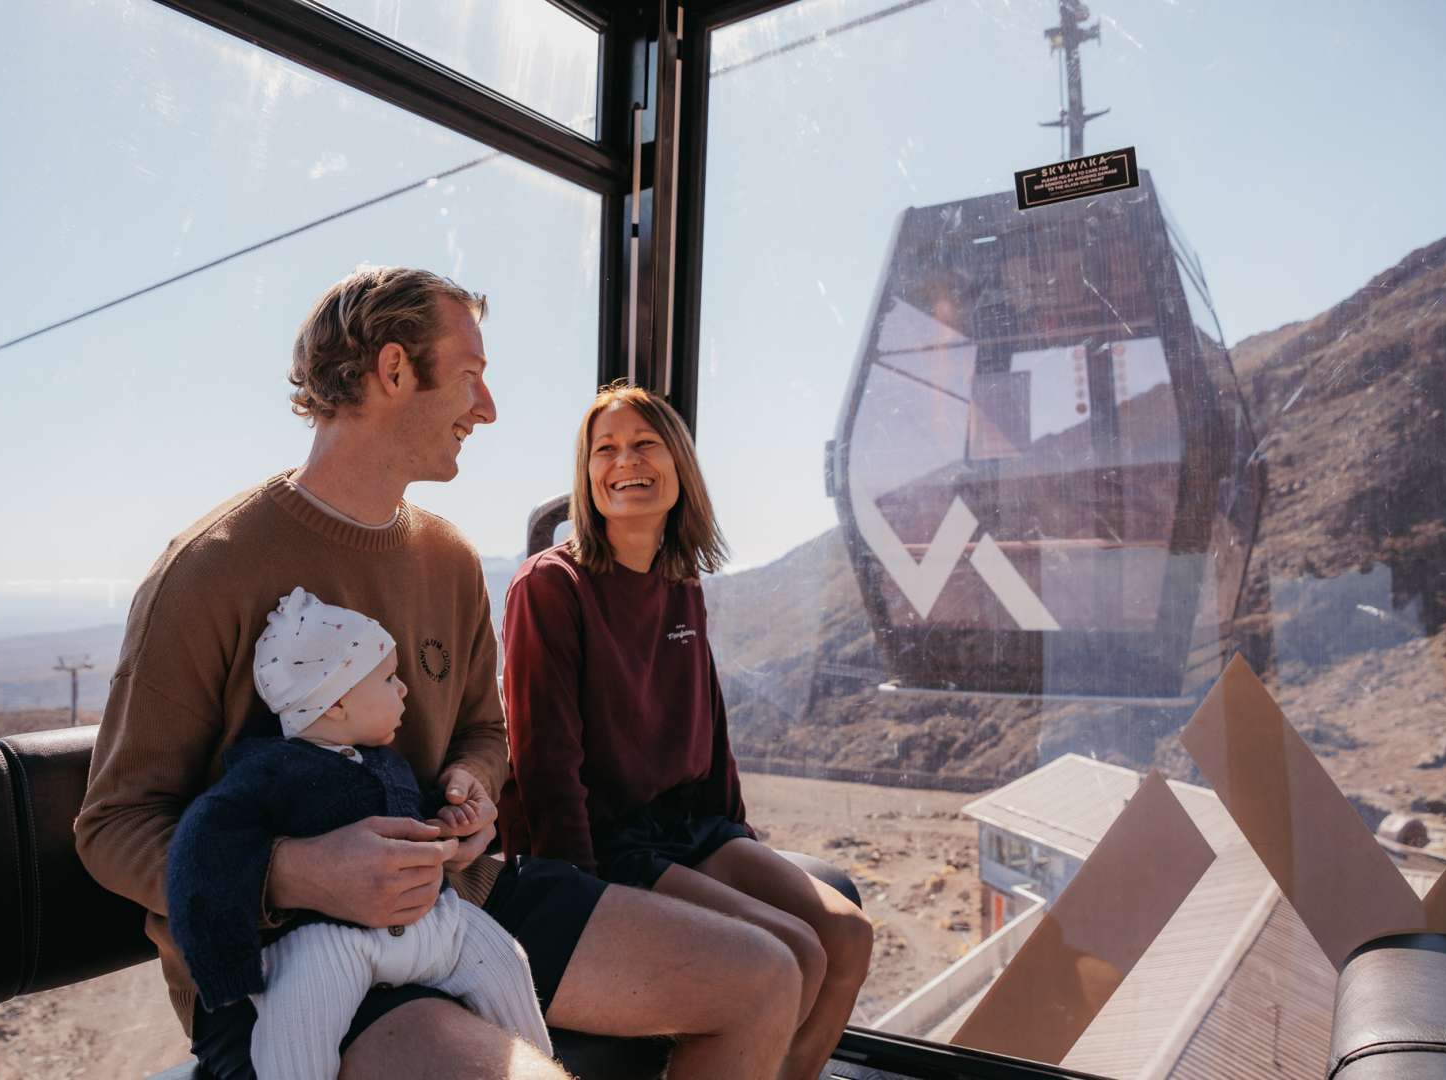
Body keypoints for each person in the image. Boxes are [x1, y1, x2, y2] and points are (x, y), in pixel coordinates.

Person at [75, 266, 805, 1080]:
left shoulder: (449, 558)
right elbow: (113, 826)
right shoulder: (211, 568)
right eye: (470, 376)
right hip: (291, 959)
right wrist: (296, 873)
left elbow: (483, 732)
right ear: (394, 370)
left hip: (462, 900)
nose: (486, 408)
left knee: (765, 979)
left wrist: (470, 785)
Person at [498, 382, 875, 1080]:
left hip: (688, 827)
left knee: (847, 934)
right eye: (605, 449)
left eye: (644, 443)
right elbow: (545, 759)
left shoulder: (680, 583)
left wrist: (740, 839)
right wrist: (582, 894)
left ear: (679, 463)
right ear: (586, 475)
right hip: (611, 843)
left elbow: (709, 724)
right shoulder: (550, 587)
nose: (625, 461)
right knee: (797, 951)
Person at [167, 587, 552, 1079]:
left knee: (504, 959)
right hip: (328, 941)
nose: (404, 689)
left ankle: (541, 1060)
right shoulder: (270, 771)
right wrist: (226, 964)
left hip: (435, 925)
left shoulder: (386, 763)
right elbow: (201, 850)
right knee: (297, 1023)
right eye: (388, 678)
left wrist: (446, 822)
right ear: (336, 702)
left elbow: (413, 816)